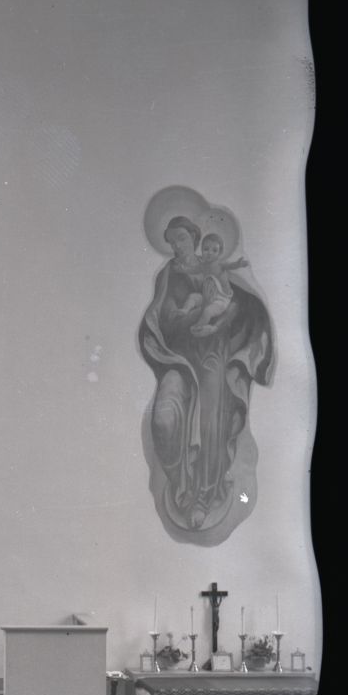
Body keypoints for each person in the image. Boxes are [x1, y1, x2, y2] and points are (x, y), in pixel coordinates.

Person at [138, 214, 273, 535]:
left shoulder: (215, 267)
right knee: (164, 418)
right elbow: (161, 321)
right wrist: (191, 315)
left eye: (181, 239)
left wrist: (213, 323)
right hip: (179, 358)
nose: (176, 246)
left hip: (213, 353)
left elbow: (239, 306)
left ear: (195, 239)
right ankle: (181, 486)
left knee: (213, 422)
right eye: (171, 241)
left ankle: (204, 496)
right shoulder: (168, 274)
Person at [189, 232, 250, 336]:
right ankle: (184, 310)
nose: (209, 253)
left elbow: (231, 266)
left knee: (207, 312)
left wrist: (238, 264)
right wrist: (183, 269)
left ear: (220, 253)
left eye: (214, 250)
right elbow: (193, 270)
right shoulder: (203, 265)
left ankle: (198, 328)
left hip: (221, 299)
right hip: (207, 295)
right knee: (192, 297)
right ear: (202, 250)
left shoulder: (220, 264)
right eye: (206, 249)